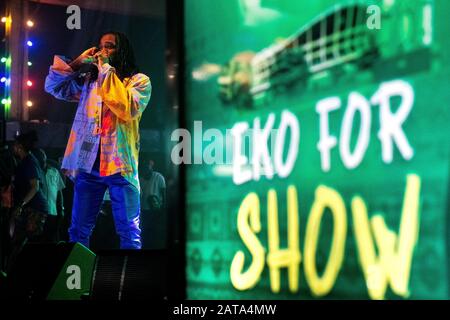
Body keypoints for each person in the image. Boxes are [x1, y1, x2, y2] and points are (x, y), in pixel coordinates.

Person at [44, 31, 152, 249]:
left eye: (110, 46)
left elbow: (125, 107)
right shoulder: (90, 83)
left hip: (119, 165)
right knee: (78, 230)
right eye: (101, 46)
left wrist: (104, 68)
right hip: (88, 164)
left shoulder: (139, 81)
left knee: (129, 230)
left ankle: (130, 280)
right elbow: (53, 87)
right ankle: (78, 280)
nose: (103, 51)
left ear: (122, 51)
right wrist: (77, 63)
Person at [7, 131, 49, 273]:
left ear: (19, 147)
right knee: (20, 243)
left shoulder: (29, 162)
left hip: (35, 209)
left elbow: (35, 187)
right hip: (31, 208)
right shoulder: (26, 162)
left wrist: (21, 205)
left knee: (23, 244)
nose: (12, 148)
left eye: (14, 146)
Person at [32, 148, 65, 243]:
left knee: (51, 241)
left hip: (52, 213)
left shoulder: (54, 171)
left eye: (43, 158)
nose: (42, 161)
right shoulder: (34, 172)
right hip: (38, 214)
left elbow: (59, 192)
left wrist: (61, 209)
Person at [139, 159, 166, 249]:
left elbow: (164, 194)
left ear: (151, 168)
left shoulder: (159, 177)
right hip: (144, 211)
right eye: (144, 168)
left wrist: (163, 208)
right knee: (146, 233)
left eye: (148, 167)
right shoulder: (140, 179)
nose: (146, 170)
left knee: (155, 232)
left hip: (156, 211)